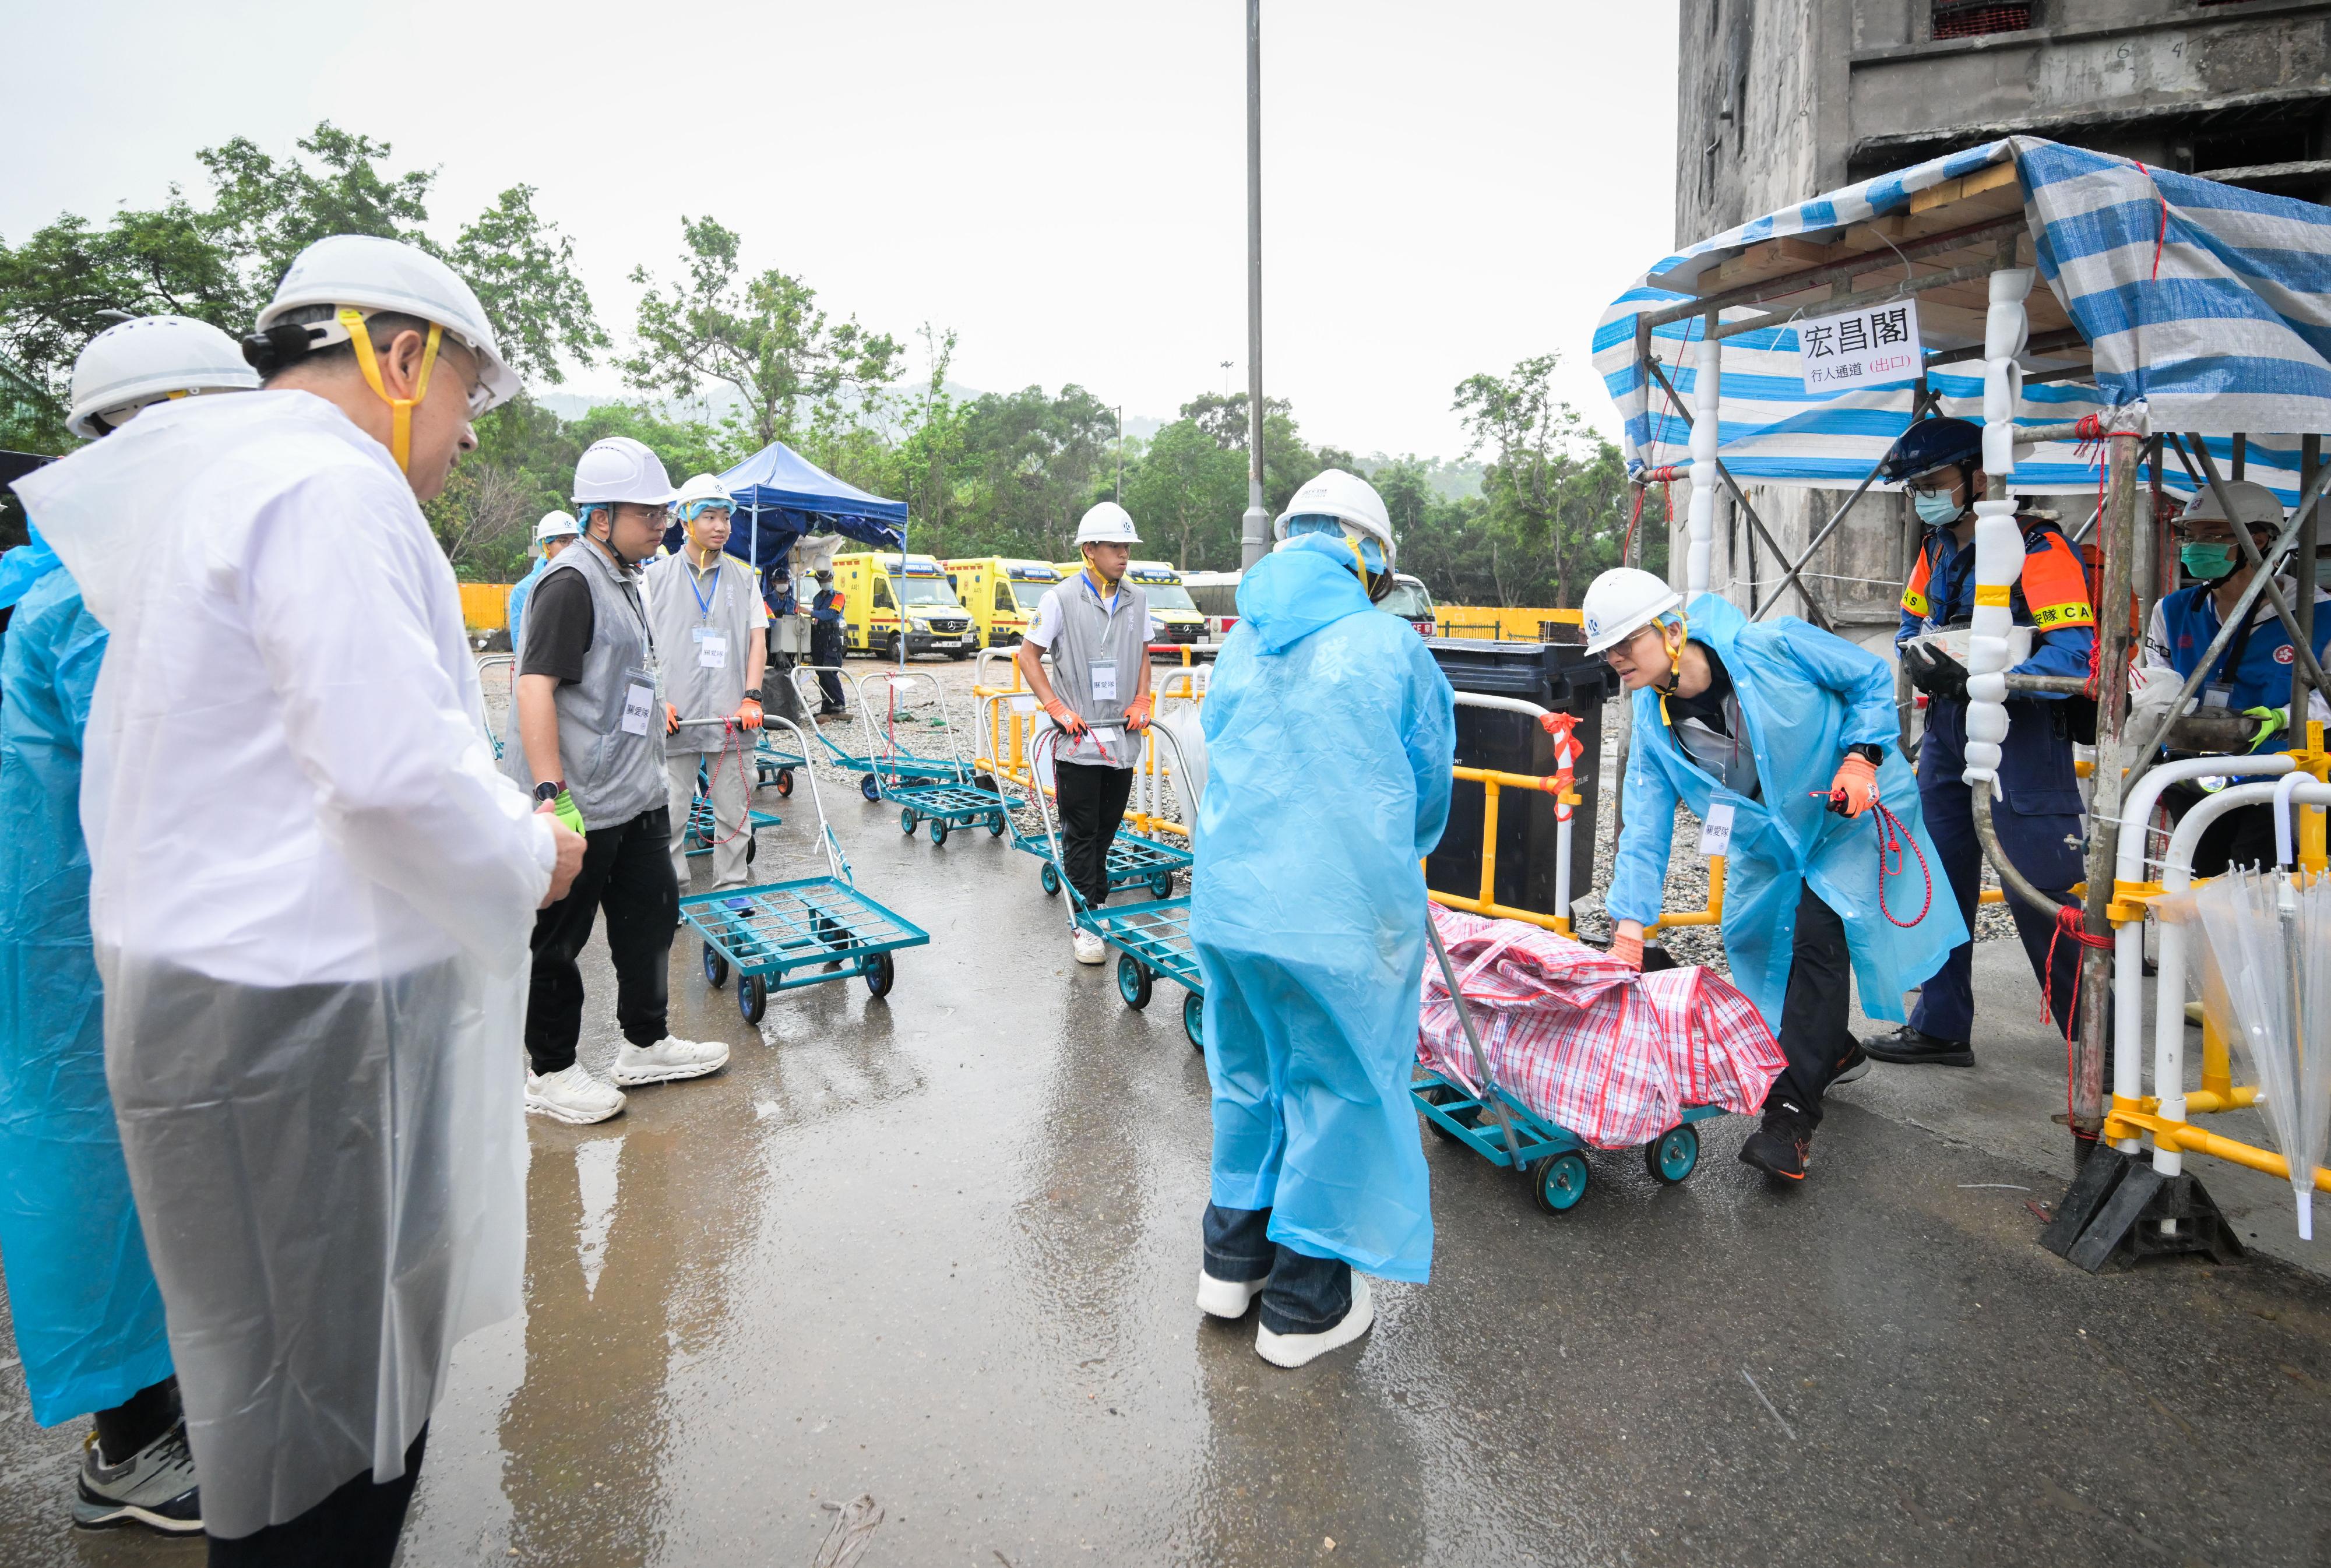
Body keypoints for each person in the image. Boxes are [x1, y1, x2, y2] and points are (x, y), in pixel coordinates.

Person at [16, 234, 587, 1566]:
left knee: (272, 1413)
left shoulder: (213, 486)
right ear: (401, 358)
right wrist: (527, 853)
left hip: (215, 1007)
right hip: (301, 1025)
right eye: (459, 403)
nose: (454, 443)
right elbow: (392, 772)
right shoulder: (325, 485)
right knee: (329, 1446)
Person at [0, 315, 258, 1537]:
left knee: (132, 1167)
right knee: (111, 1174)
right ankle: (134, 1441)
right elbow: (191, 812)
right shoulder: (102, 606)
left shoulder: (97, 585)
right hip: (92, 947)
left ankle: (159, 1407)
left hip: (98, 933)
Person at [1193, 470, 1454, 1368]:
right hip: (1336, 915)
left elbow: (1221, 746)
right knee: (1338, 1089)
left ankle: (1232, 1265)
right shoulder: (1387, 646)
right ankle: (1304, 1310)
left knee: (1250, 1078)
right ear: (1367, 553)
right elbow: (1424, 793)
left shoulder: (1240, 641)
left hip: (1229, 906)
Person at [1589, 565, 1964, 1181]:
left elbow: (1868, 677)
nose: (1614, 659)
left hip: (1846, 818)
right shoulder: (1654, 730)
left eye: (1625, 643)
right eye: (1606, 649)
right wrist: (1630, 927)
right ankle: (1832, 1050)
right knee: (1756, 945)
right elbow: (1645, 831)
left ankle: (1789, 1120)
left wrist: (1861, 757)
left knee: (1818, 934)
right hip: (1769, 847)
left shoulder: (1775, 646)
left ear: (1672, 629)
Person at [1861, 417, 2098, 1070]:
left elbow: (2075, 661)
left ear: (1979, 476)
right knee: (1935, 882)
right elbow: (1912, 624)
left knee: (2042, 893)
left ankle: (2095, 1047)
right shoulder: (1936, 548)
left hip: (2020, 743)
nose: (1924, 498)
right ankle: (1939, 1026)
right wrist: (1925, 658)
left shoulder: (2040, 548)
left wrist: (1991, 677)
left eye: (1933, 483)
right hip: (1946, 734)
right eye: (1915, 488)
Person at [506, 436, 730, 1126]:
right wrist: (551, 796)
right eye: (649, 514)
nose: (663, 525)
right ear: (601, 517)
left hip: (634, 790)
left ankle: (645, 1044)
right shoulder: (569, 582)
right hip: (579, 800)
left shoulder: (627, 573)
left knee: (650, 917)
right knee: (559, 941)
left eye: (666, 513)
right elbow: (534, 688)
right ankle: (551, 1072)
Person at [2132, 478, 2331, 875]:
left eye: (2211, 534)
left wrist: (2281, 718)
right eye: (2190, 534)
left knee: (2261, 884)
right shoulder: (2171, 610)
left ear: (2257, 539)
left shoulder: (2320, 614)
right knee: (2200, 880)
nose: (2194, 545)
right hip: (2193, 771)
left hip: (2281, 775)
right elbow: (2156, 676)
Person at [1015, 501, 1153, 964]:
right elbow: (1027, 656)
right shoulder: (1060, 599)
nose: (1124, 555)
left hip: (1121, 736)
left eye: (1127, 548)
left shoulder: (1136, 599)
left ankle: (1094, 899)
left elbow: (1145, 656)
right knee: (1081, 832)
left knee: (1107, 829)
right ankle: (1085, 921)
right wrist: (1054, 706)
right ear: (1090, 549)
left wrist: (1142, 700)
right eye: (1116, 547)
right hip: (1079, 740)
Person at [646, 473, 767, 889]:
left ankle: (732, 889)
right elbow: (639, 648)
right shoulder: (654, 579)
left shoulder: (744, 578)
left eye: (725, 518)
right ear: (685, 520)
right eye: (710, 517)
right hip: (674, 717)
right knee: (671, 812)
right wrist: (656, 700)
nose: (721, 526)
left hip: (730, 716)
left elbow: (757, 641)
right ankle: (672, 894)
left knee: (734, 812)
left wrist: (752, 696)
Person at [506, 509, 579, 653]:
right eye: (563, 541)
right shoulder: (524, 590)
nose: (571, 547)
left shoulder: (586, 580)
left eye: (575, 541)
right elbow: (520, 643)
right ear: (546, 546)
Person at [809, 565, 848, 714]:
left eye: (829, 579)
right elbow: (818, 617)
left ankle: (839, 703)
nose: (827, 581)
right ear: (819, 581)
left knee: (830, 670)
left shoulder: (839, 596)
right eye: (824, 580)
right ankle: (827, 705)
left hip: (832, 635)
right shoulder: (817, 598)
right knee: (820, 671)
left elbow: (830, 614)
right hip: (818, 636)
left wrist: (811, 612)